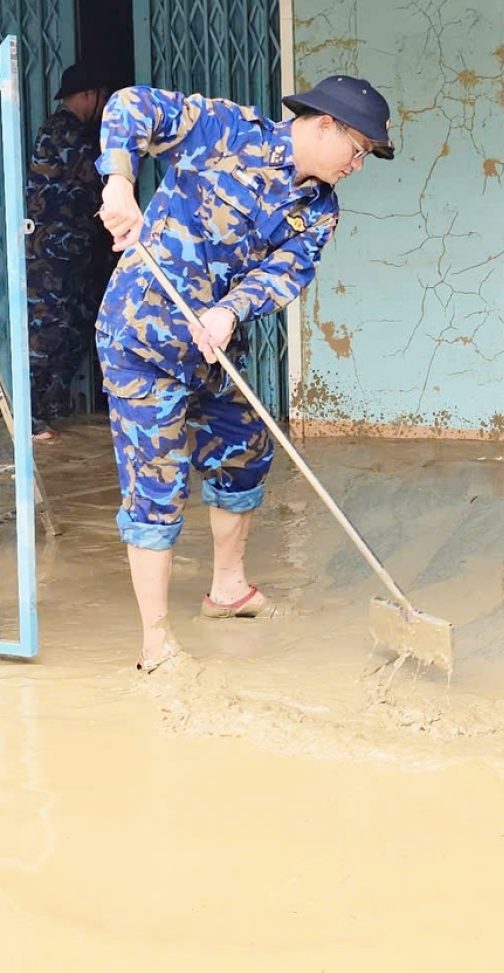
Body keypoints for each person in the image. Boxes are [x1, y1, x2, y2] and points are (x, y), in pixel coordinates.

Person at [94, 74, 395, 671]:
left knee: (245, 446)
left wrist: (231, 311)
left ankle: (227, 591)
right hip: (143, 336)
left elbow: (284, 273)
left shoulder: (321, 212)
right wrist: (120, 181)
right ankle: (155, 645)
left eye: (366, 157)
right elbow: (129, 104)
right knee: (157, 482)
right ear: (323, 124)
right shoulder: (227, 130)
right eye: (356, 149)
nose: (358, 165)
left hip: (213, 347)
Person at [23, 64, 118, 441]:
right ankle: (29, 415)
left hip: (77, 251)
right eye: (103, 95)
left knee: (75, 330)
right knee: (48, 332)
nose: (107, 102)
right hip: (52, 252)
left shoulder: (78, 132)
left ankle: (51, 407)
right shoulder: (62, 131)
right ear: (86, 96)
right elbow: (96, 174)